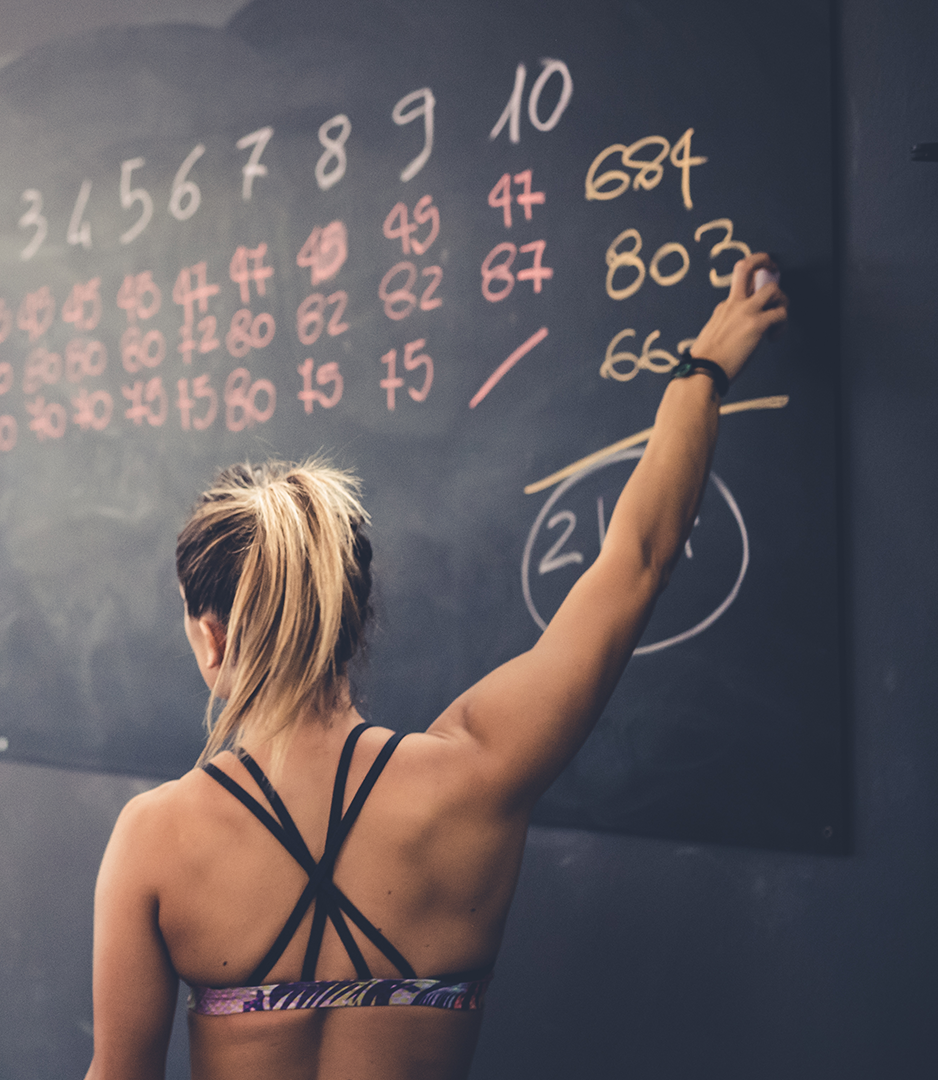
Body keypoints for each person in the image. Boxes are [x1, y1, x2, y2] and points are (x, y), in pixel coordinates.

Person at [85, 253, 789, 1080]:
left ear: (211, 636)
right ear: (354, 619)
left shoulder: (155, 838)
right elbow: (636, 560)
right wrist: (702, 369)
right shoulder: (479, 775)